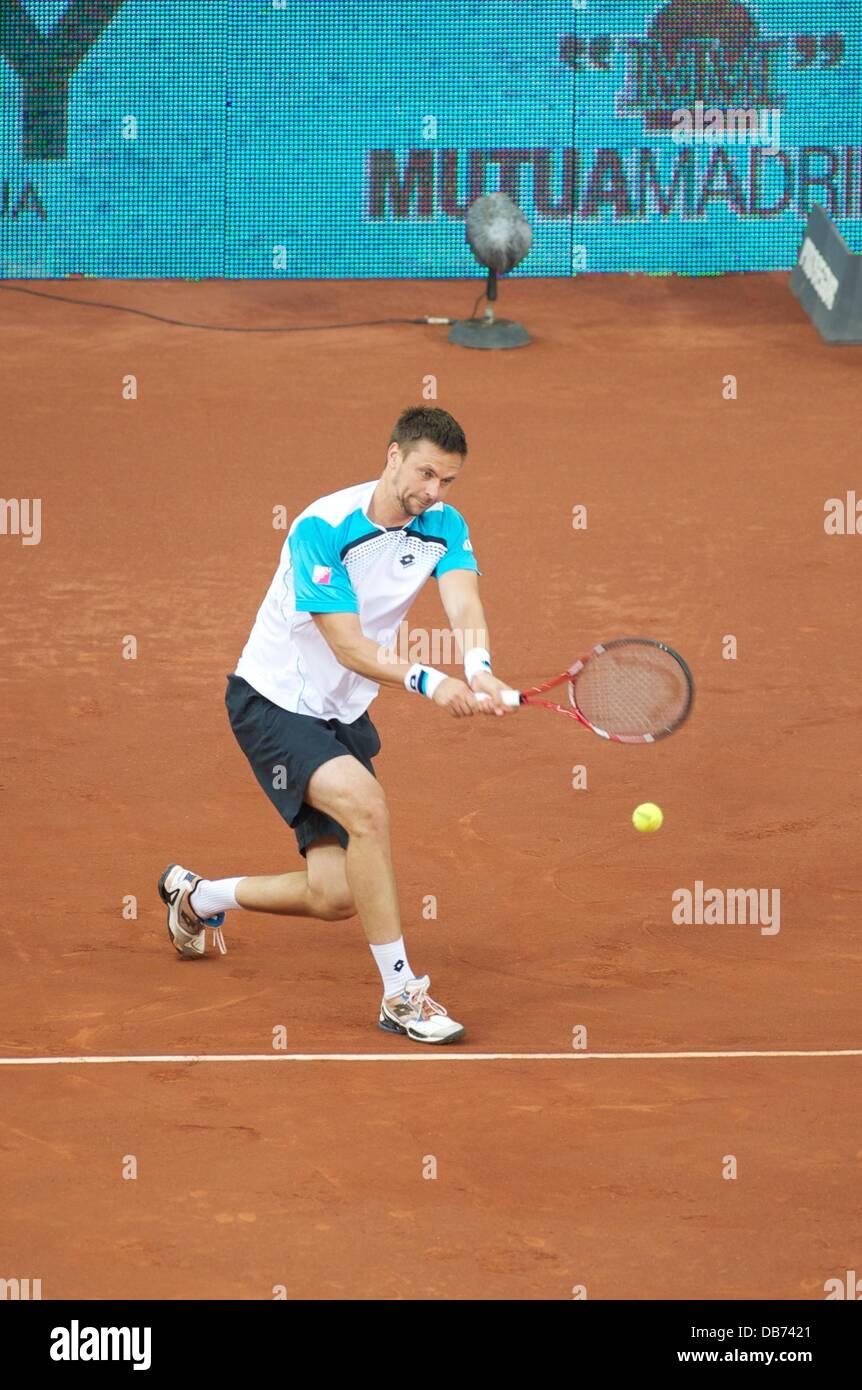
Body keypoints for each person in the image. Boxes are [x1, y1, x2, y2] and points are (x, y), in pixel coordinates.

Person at [158, 406, 518, 1044]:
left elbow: (463, 597)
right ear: (392, 456)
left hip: (341, 712)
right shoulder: (322, 528)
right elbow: (348, 644)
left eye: (448, 481)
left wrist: (480, 667)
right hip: (274, 703)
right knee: (368, 808)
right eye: (426, 473)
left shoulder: (443, 524)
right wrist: (433, 684)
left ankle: (200, 897)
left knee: (335, 896)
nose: (434, 492)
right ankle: (402, 995)